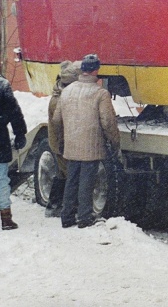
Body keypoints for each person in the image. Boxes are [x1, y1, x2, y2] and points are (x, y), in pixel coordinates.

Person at [50, 54, 120, 229]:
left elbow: (56, 119)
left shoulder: (67, 91)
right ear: (96, 70)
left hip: (72, 144)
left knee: (72, 179)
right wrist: (114, 141)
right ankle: (84, 217)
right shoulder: (100, 93)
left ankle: (66, 216)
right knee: (87, 181)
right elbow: (107, 122)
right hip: (91, 145)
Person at [0, 50, 27, 230]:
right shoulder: (1, 84)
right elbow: (14, 112)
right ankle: (6, 218)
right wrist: (20, 133)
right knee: (1, 179)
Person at [45, 61, 81, 217]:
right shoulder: (60, 99)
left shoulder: (59, 94)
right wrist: (62, 145)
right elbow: (59, 125)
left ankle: (53, 206)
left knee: (62, 174)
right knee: (69, 176)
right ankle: (68, 209)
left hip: (60, 142)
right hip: (61, 143)